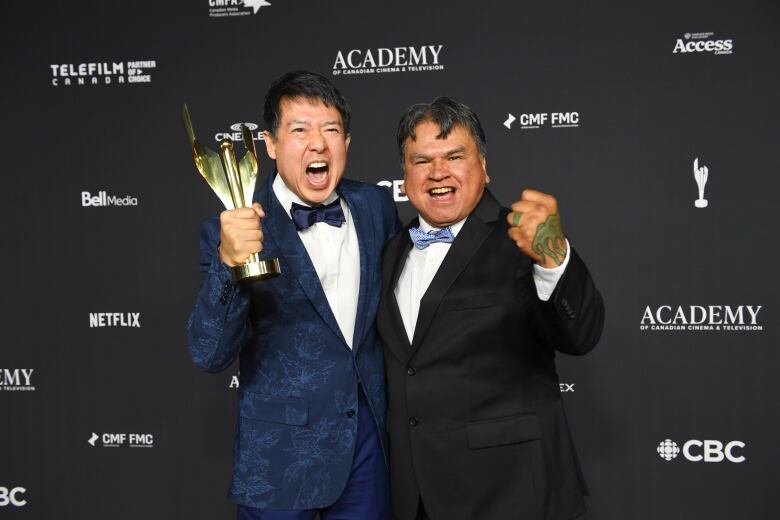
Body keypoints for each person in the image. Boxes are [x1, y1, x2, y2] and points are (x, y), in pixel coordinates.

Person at [376, 97, 605, 520]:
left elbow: (581, 334)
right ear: (405, 177)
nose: (438, 172)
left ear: (483, 165)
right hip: (415, 497)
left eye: (454, 156)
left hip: (510, 492)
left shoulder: (520, 239)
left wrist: (554, 259)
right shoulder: (391, 251)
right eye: (421, 160)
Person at [187, 70, 400, 520]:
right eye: (299, 130)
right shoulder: (232, 227)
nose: (317, 144)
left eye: (330, 130)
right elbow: (208, 353)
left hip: (365, 448)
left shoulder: (376, 207)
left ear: (347, 140)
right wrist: (229, 265)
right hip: (279, 460)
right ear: (270, 144)